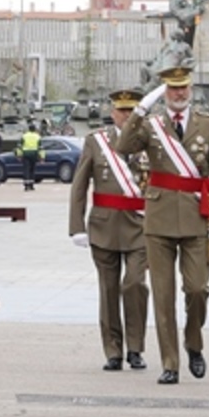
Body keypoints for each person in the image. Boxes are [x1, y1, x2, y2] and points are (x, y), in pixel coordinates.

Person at [115, 64, 209, 386]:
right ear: (164, 91)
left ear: (190, 89)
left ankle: (194, 343)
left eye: (184, 88)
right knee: (163, 297)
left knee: (196, 289)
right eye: (172, 89)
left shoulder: (207, 125)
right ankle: (170, 363)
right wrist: (139, 109)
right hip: (159, 218)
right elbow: (123, 147)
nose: (179, 94)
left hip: (196, 218)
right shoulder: (151, 126)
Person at [69, 88, 150, 372]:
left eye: (132, 110)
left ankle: (136, 347)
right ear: (113, 112)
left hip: (141, 226)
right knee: (109, 289)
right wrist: (76, 226)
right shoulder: (96, 142)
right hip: (104, 226)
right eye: (122, 110)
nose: (126, 115)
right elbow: (79, 185)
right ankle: (113, 350)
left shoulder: (151, 141)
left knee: (135, 284)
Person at [19, 121, 43, 191]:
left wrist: (19, 155)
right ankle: (31, 185)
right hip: (34, 154)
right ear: (35, 129)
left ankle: (26, 185)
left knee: (26, 170)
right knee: (32, 170)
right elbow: (41, 148)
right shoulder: (37, 136)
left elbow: (20, 146)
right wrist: (41, 157)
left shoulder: (24, 136)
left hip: (26, 154)